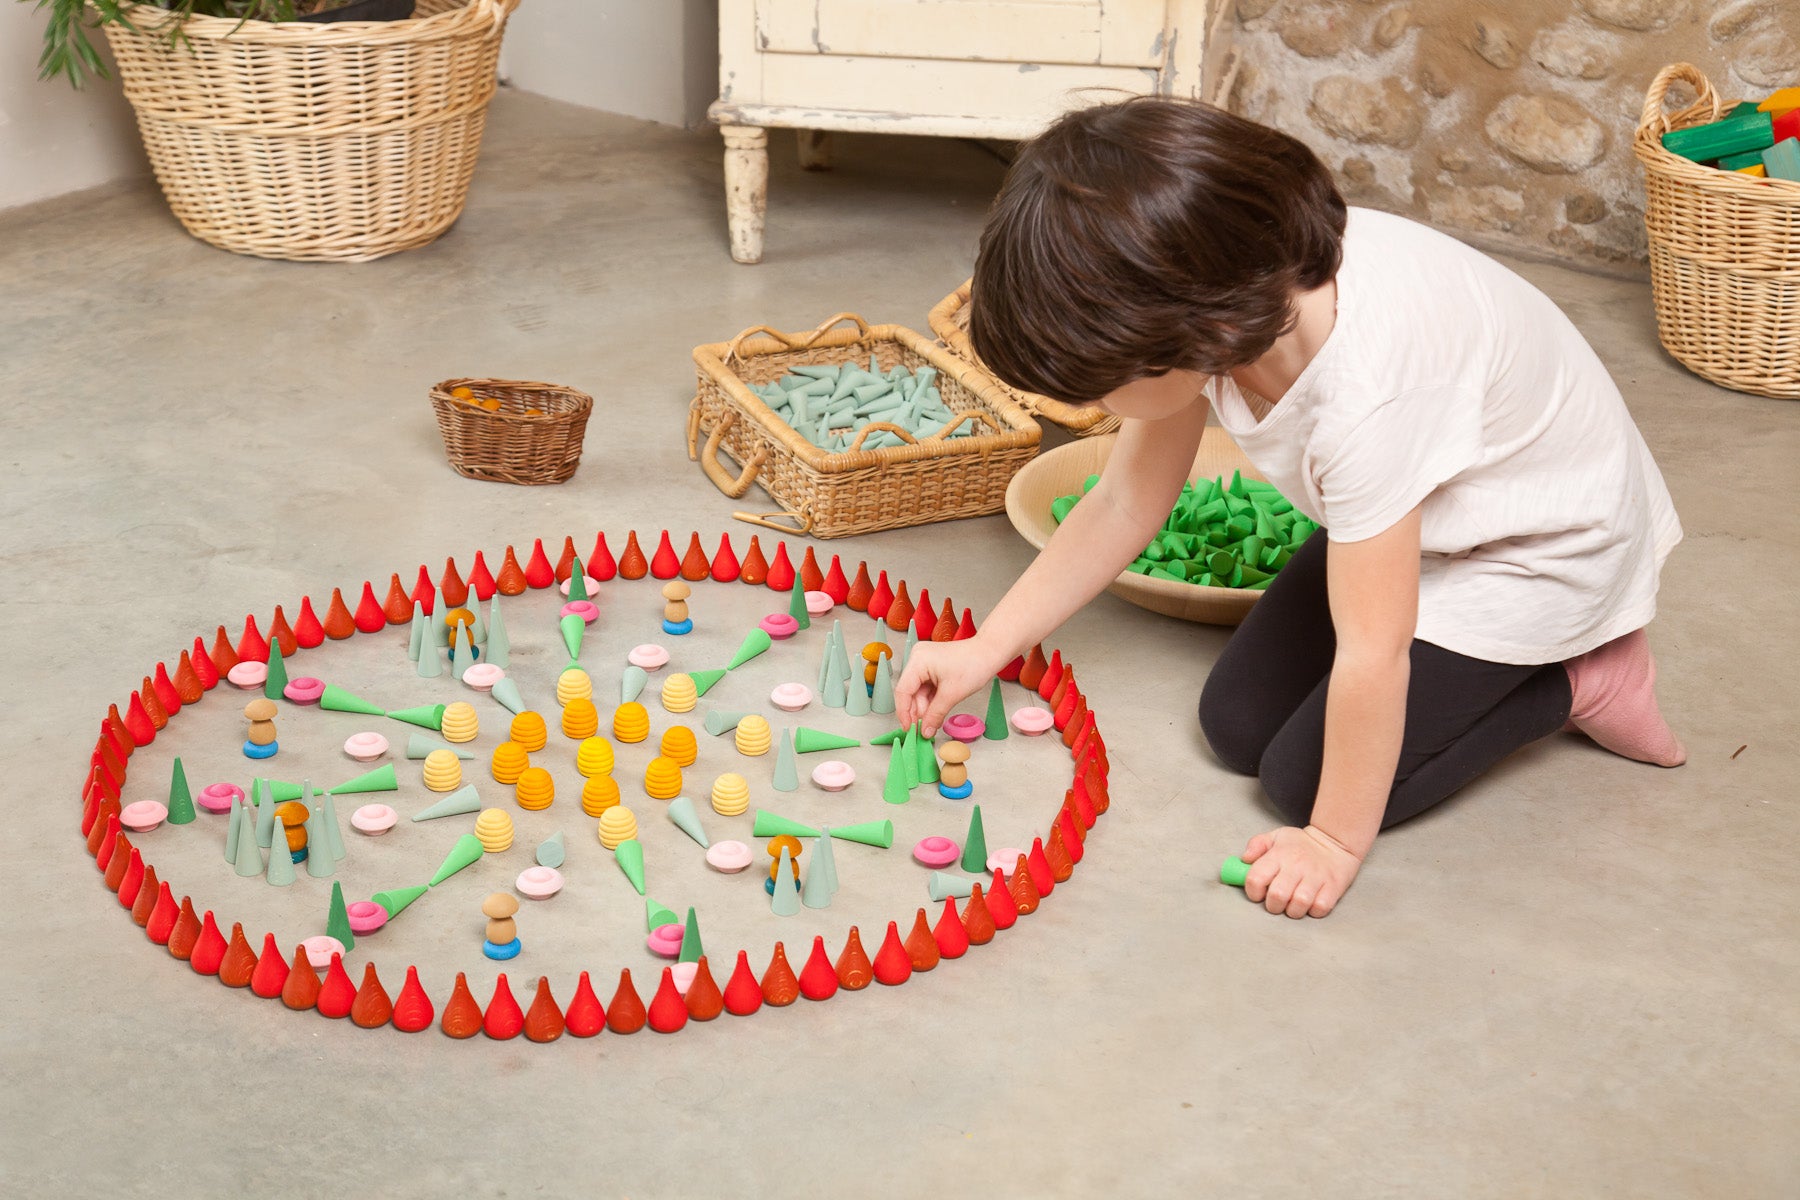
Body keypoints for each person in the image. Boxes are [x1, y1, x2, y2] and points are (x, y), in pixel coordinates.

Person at [891, 96, 1685, 920]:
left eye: (1099, 385)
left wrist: (1335, 844)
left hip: (1538, 551)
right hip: (1414, 519)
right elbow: (1128, 499)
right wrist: (986, 648)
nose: (1091, 406)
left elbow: (1375, 654)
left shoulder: (1366, 400)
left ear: (1189, 335)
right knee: (1236, 725)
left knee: (1300, 783)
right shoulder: (1230, 296)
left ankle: (1584, 676)